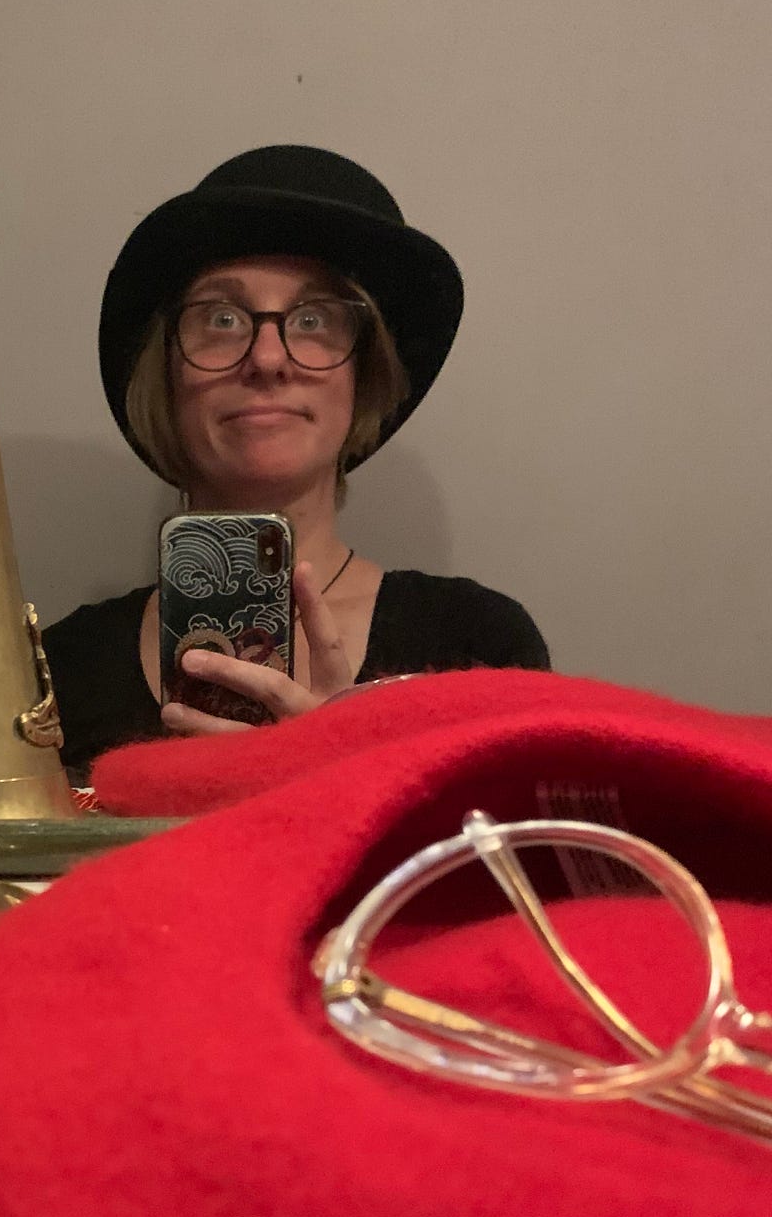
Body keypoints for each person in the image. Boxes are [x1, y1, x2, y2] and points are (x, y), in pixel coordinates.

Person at [43, 145, 550, 776]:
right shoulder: (59, 666)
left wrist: (345, 776)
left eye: (313, 319)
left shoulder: (477, 645)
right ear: (165, 377)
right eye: (220, 317)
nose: (266, 358)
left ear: (364, 379)